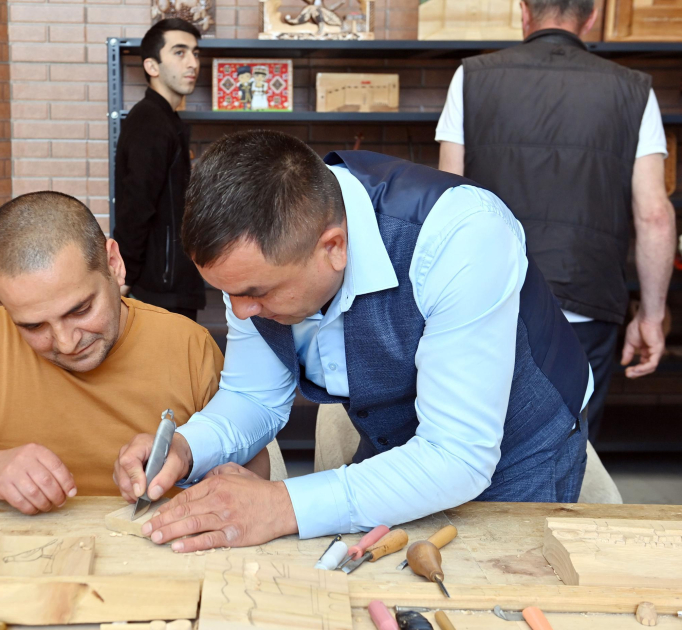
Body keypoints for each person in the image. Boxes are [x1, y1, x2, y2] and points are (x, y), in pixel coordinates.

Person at [113, 130, 595, 552]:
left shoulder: (462, 234)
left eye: (257, 293)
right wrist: (186, 448)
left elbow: (457, 455)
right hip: (402, 449)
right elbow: (252, 396)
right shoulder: (257, 262)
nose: (240, 313)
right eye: (228, 293)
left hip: (517, 450)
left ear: (334, 247)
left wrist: (281, 504)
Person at [0, 191, 269, 515]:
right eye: (33, 326)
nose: (65, 343)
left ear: (114, 264)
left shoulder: (186, 344)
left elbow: (255, 466)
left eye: (80, 310)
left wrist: (193, 464)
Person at [436, 0, 677, 443]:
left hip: (490, 297)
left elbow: (448, 199)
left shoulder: (471, 76)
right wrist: (651, 315)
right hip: (587, 301)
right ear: (592, 18)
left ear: (524, 12)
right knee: (569, 446)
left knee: (478, 441)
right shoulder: (634, 89)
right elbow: (655, 216)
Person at [112, 19, 206, 322]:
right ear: (152, 66)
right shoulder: (150, 121)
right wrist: (124, 276)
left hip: (170, 282)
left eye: (195, 53)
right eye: (179, 52)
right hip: (158, 288)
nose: (192, 63)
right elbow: (136, 205)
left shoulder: (165, 119)